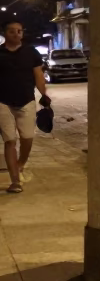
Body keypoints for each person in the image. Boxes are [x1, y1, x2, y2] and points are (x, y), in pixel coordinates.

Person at [0, 20, 50, 193]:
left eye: (19, 31)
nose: (16, 34)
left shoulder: (31, 52)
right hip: (3, 102)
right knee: (9, 141)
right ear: (5, 33)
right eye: (12, 31)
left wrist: (44, 95)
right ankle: (15, 181)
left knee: (27, 138)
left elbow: (39, 75)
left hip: (26, 100)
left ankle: (20, 164)